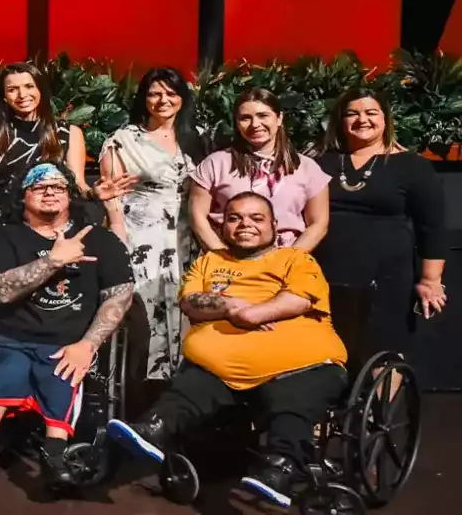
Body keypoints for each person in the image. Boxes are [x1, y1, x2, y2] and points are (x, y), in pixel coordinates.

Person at [107, 192, 349, 508]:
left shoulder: (296, 259)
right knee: (192, 388)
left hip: (301, 365)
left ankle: (281, 468)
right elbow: (191, 303)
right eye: (234, 218)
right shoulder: (209, 261)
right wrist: (233, 305)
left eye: (256, 218)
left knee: (290, 401)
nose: (244, 224)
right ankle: (155, 429)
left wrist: (254, 313)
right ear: (223, 226)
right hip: (220, 369)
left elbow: (299, 299)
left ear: (275, 225)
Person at [0, 162, 134, 489]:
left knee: (60, 369)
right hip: (10, 335)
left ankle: (54, 453)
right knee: (10, 367)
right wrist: (54, 260)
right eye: (39, 186)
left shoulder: (100, 239)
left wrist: (88, 345)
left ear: (70, 195)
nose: (50, 192)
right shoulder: (3, 236)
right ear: (23, 196)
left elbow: (120, 296)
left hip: (68, 340)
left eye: (58, 186)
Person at [312, 89, 447, 364]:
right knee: (324, 348)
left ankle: (380, 407)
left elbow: (432, 228)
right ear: (341, 120)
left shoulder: (412, 166)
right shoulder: (319, 161)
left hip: (386, 279)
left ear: (385, 120)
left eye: (371, 113)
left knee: (383, 349)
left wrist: (430, 280)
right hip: (323, 276)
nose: (362, 119)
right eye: (353, 113)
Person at [100, 68, 208, 381]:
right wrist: (118, 243)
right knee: (144, 310)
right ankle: (140, 388)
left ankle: (179, 390)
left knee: (184, 304)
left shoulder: (198, 137)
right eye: (154, 93)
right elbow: (113, 199)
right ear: (144, 98)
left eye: (171, 93)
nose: (163, 100)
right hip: (142, 236)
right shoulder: (123, 140)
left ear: (182, 98)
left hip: (187, 236)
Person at [189, 88, 330, 252]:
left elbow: (318, 224)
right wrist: (221, 257)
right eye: (245, 118)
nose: (255, 124)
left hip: (285, 262)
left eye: (263, 116)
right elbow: (197, 216)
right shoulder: (215, 163)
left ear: (279, 118)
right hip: (228, 259)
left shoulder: (306, 168)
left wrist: (289, 260)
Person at [0, 63, 114, 222]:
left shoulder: (70, 132)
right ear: (4, 96)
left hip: (55, 217)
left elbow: (77, 183)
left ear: (40, 90)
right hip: (7, 218)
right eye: (13, 89)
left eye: (29, 86)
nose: (22, 94)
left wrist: (94, 193)